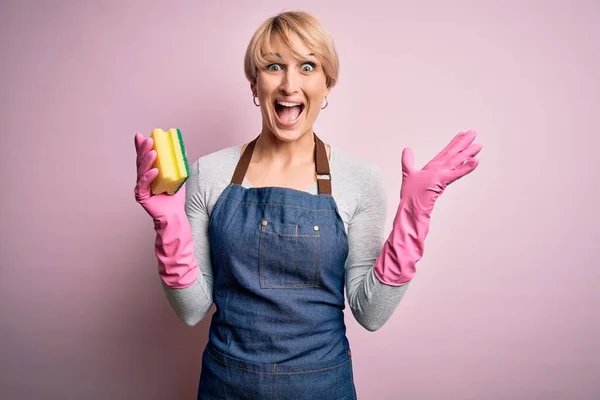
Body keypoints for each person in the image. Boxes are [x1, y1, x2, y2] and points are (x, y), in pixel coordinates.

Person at [133, 10, 482, 400]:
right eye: (273, 66)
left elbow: (371, 312)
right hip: (227, 386)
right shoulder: (210, 173)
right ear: (254, 82)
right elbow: (191, 309)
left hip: (322, 387)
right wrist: (168, 223)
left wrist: (415, 213)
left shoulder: (359, 179)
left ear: (328, 84)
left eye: (307, 66)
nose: (288, 84)